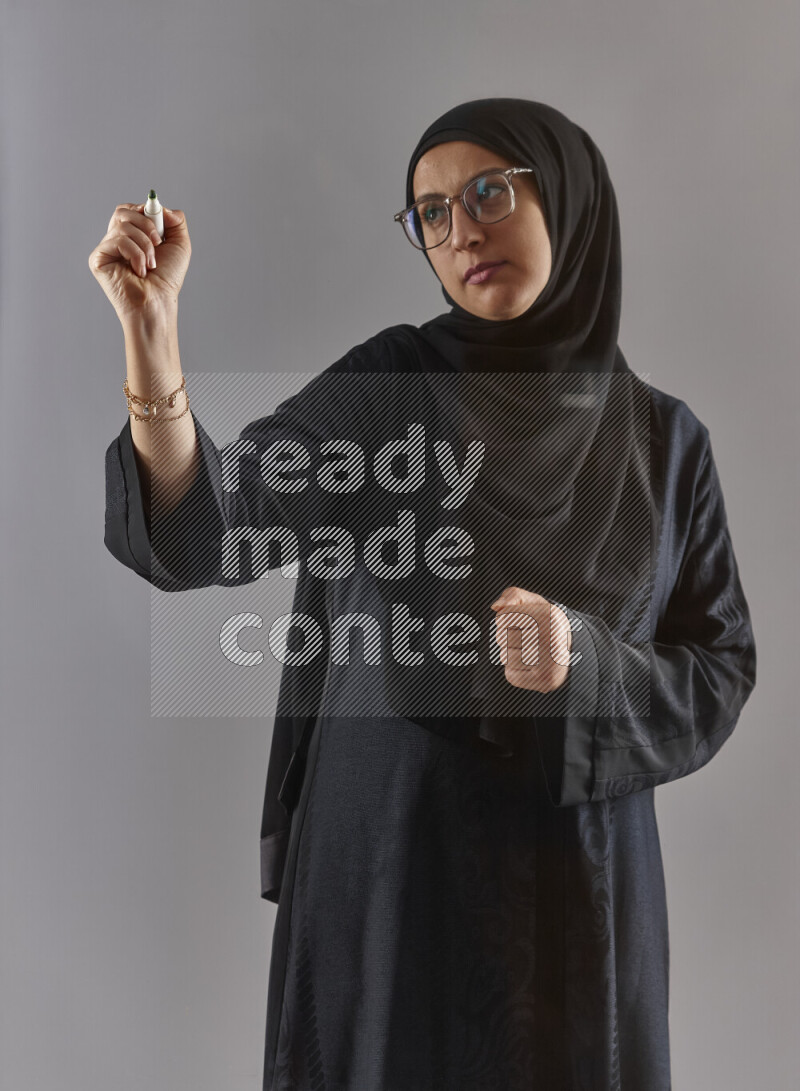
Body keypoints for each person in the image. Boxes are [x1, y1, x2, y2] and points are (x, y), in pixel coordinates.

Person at [91, 99, 757, 1091]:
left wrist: (583, 654)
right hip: (390, 873)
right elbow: (216, 528)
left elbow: (717, 669)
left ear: (566, 196)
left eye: (489, 191)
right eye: (430, 214)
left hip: (576, 896)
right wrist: (153, 341)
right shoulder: (386, 388)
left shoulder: (663, 443)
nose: (460, 232)